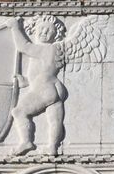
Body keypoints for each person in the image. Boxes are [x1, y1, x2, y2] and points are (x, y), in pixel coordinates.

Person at [7, 15, 71, 156]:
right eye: (41, 29)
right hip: (53, 86)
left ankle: (26, 141)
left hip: (44, 88)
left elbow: (23, 46)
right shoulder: (54, 50)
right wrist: (26, 81)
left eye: (49, 30)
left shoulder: (47, 49)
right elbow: (42, 71)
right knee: (54, 120)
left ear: (56, 35)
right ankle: (52, 146)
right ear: (35, 30)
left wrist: (15, 28)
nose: (44, 32)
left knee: (19, 112)